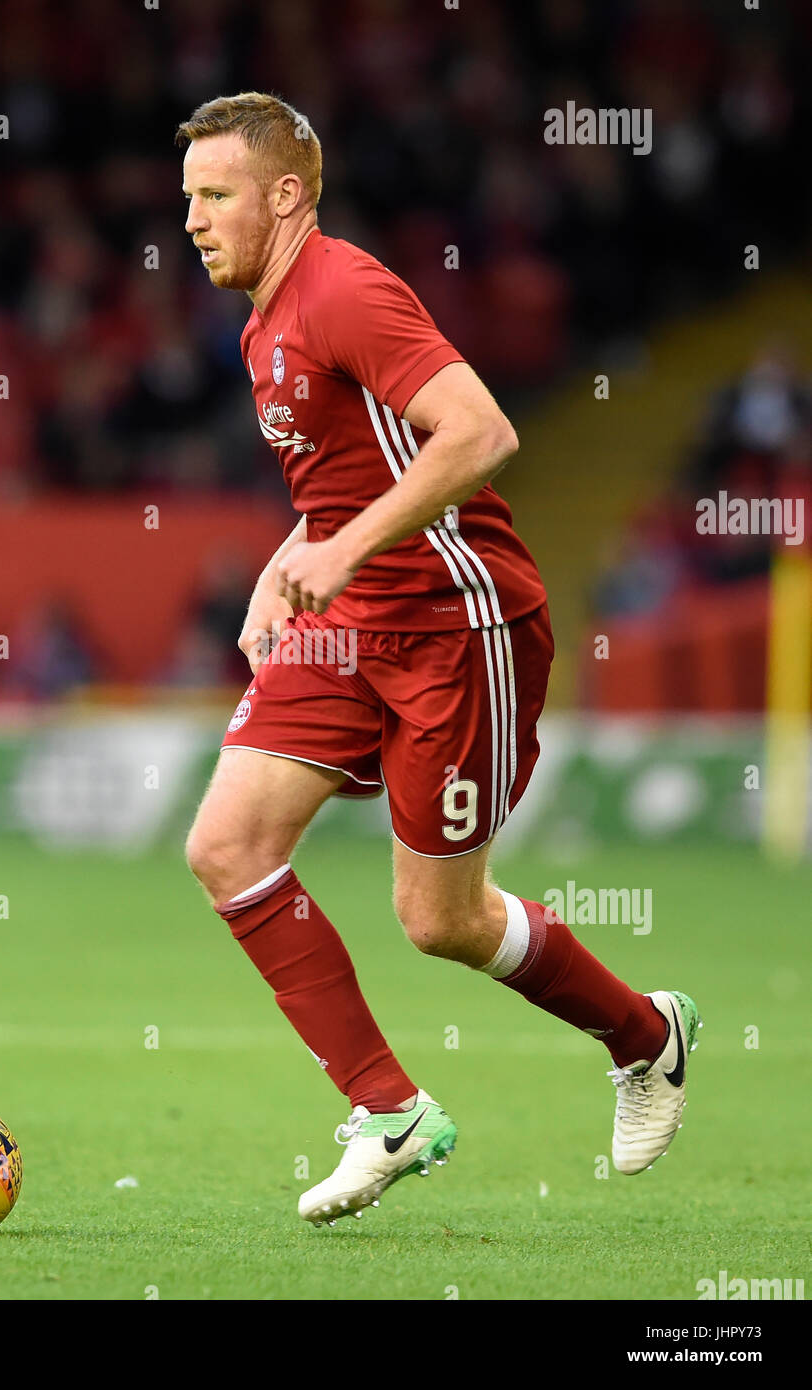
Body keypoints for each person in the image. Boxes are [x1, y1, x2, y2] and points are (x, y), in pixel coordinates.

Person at [178, 92, 699, 1226]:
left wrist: (348, 543)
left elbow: (481, 432)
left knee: (442, 922)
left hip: (456, 630)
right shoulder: (261, 318)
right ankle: (388, 1111)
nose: (194, 220)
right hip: (345, 625)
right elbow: (349, 476)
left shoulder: (346, 290)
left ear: (285, 196)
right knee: (225, 846)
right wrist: (292, 556)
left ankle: (647, 1036)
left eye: (215, 196)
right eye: (187, 199)